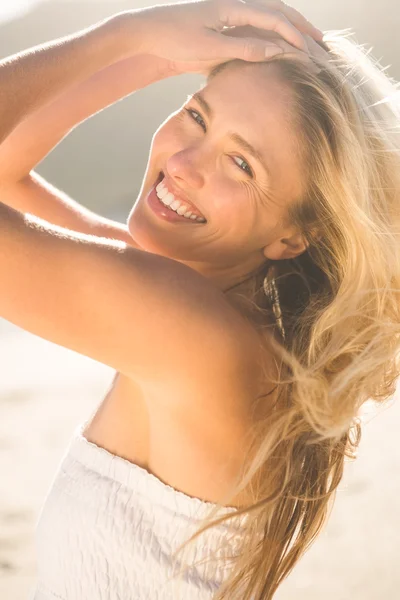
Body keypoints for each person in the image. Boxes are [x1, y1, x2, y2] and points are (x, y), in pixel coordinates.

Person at [0, 1, 398, 599]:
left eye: (241, 163)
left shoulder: (188, 328)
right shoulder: (220, 311)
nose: (183, 164)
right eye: (196, 116)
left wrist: (122, 36)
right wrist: (155, 56)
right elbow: (7, 173)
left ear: (294, 236)